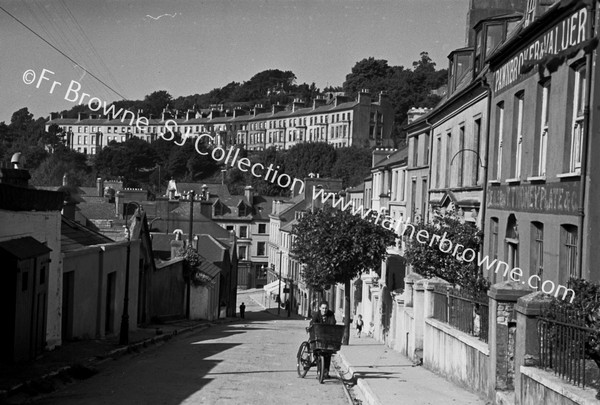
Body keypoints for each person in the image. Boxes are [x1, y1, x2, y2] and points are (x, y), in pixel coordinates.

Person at [309, 301, 336, 379]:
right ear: (320, 308)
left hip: (326, 337)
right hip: (317, 336)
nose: (324, 310)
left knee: (328, 353)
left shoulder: (330, 314)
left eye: (326, 308)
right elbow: (313, 323)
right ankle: (319, 371)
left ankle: (326, 372)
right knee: (317, 352)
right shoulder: (316, 314)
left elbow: (333, 323)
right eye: (323, 308)